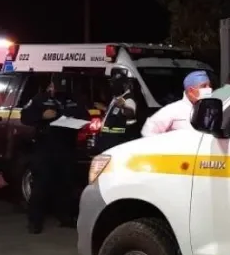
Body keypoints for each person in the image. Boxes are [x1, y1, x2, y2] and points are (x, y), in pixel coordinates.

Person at [20, 75, 91, 234]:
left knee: (66, 184)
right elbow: (25, 116)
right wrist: (42, 116)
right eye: (57, 86)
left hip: (66, 148)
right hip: (45, 148)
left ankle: (65, 217)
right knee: (41, 185)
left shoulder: (72, 99)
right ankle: (35, 222)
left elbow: (86, 117)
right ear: (51, 85)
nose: (59, 89)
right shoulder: (41, 99)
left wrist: (75, 119)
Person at [141, 70, 211, 136]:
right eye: (203, 86)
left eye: (209, 86)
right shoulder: (174, 109)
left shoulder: (211, 110)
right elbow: (148, 130)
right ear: (190, 91)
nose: (209, 89)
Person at [98, 73, 146, 149]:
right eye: (113, 83)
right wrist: (104, 108)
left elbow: (131, 113)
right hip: (109, 139)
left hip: (118, 140)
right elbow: (115, 113)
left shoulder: (128, 99)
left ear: (125, 85)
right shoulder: (118, 98)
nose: (113, 86)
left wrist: (123, 106)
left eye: (116, 84)